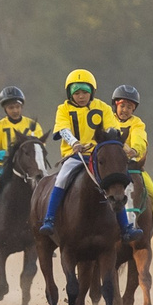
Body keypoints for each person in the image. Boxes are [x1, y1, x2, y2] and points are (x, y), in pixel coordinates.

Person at [41, 70, 120, 238]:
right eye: (76, 93)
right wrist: (75, 143)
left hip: (99, 157)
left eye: (85, 92)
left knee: (117, 181)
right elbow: (63, 129)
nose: (81, 96)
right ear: (70, 94)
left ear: (92, 92)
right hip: (75, 156)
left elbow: (112, 130)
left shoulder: (104, 108)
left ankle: (126, 227)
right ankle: (49, 218)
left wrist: (98, 145)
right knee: (61, 179)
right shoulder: (63, 109)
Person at [106, 86, 153, 250]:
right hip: (108, 167)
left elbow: (140, 140)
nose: (125, 110)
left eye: (130, 107)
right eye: (122, 105)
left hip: (131, 167)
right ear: (115, 105)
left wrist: (135, 150)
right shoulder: (107, 119)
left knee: (152, 193)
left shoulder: (137, 123)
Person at [0, 87, 44, 242]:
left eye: (17, 107)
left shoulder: (32, 126)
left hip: (28, 169)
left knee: (43, 194)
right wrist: (4, 155)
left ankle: (44, 235)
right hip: (2, 168)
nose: (15, 110)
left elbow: (39, 147)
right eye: (11, 107)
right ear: (5, 109)